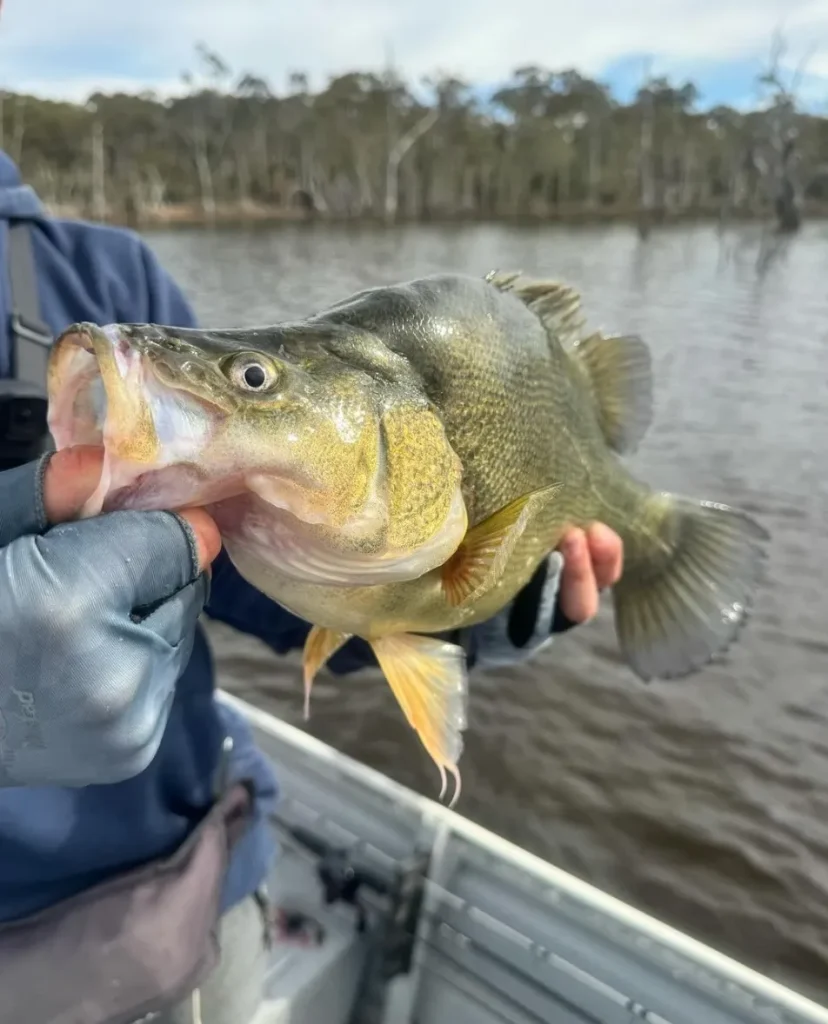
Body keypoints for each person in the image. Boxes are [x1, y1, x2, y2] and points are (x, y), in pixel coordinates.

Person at [0, 140, 623, 1023]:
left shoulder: (100, 271)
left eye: (251, 376)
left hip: (188, 893)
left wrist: (484, 608)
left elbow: (263, 581)